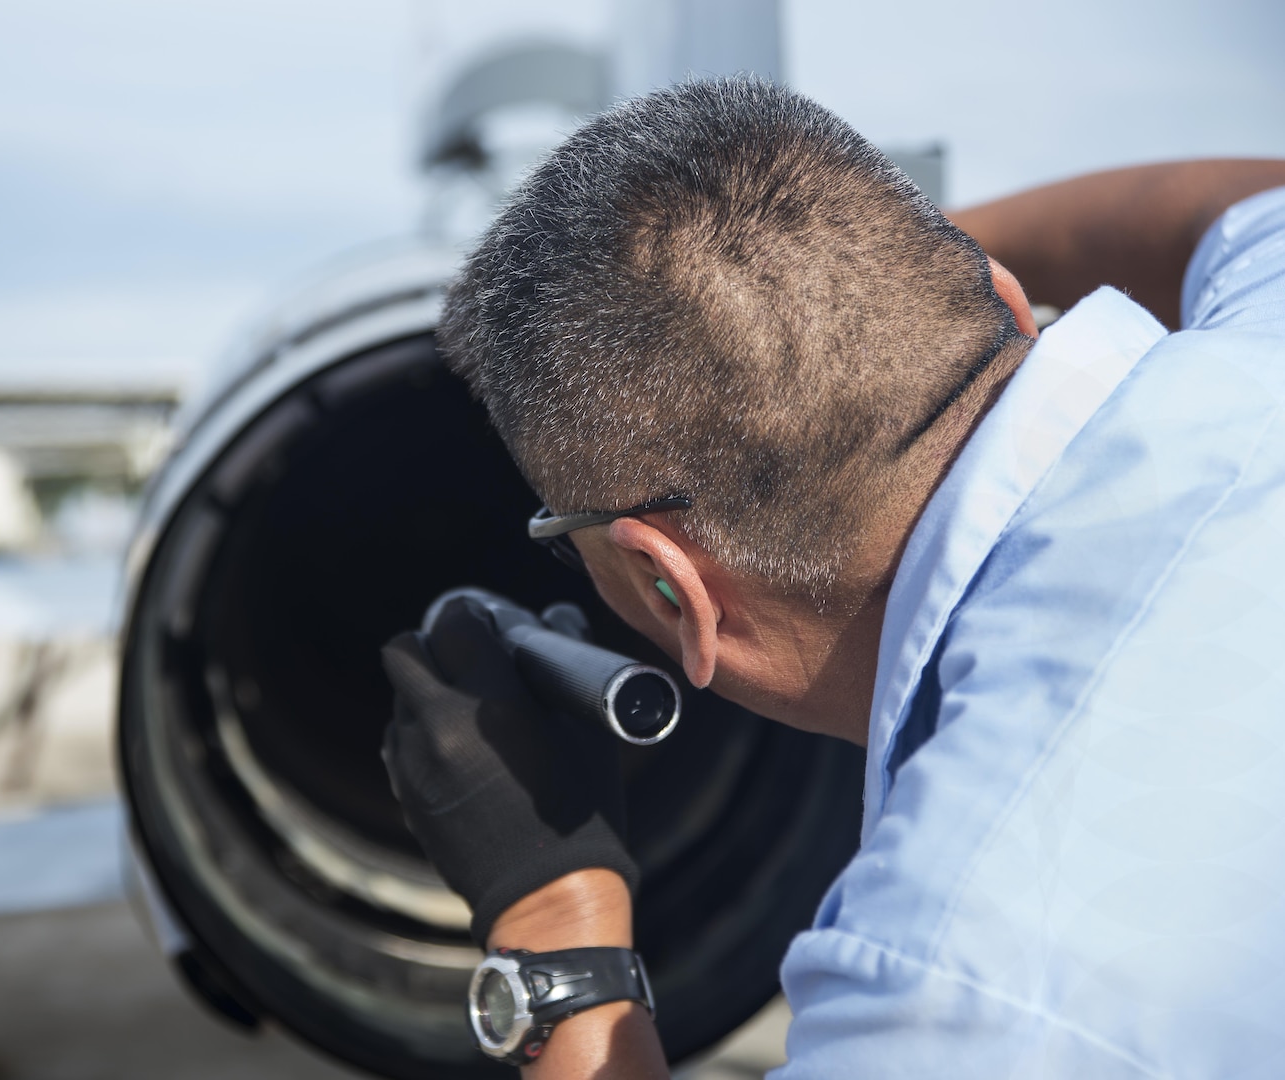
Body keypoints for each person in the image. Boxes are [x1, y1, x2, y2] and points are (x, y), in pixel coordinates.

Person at [379, 77, 1285, 1078]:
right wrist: (827, 298)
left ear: (668, 585)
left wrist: (558, 935)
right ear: (1010, 300)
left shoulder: (953, 988)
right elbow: (1235, 203)